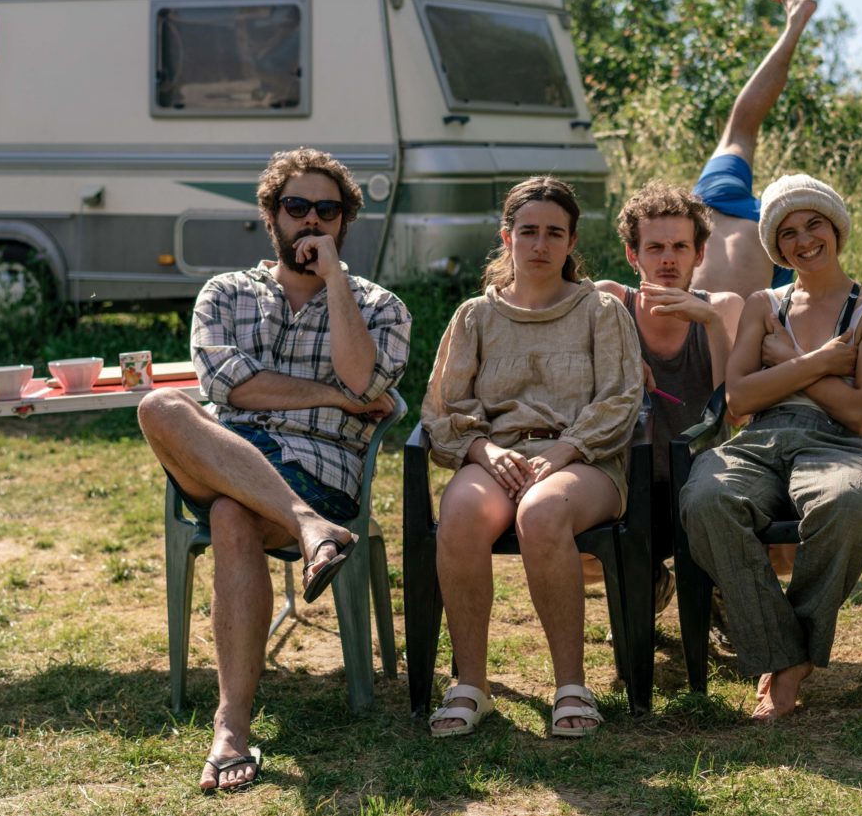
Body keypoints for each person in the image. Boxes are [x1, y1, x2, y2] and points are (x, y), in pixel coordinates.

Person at [138, 148, 411, 792]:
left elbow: (364, 376)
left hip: (321, 467)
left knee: (233, 514)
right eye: (297, 208)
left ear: (345, 224)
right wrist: (334, 398)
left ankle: (231, 728)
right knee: (159, 406)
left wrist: (336, 281)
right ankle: (310, 527)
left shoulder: (380, 307)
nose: (311, 223)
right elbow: (231, 387)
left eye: (327, 211)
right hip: (223, 456)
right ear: (270, 216)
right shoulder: (225, 293)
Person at [422, 176, 644, 739]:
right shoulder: (475, 316)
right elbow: (444, 405)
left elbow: (621, 398)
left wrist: (567, 450)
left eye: (554, 233)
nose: (540, 244)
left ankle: (571, 685)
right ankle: (471, 684)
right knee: (461, 514)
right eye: (528, 232)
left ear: (571, 242)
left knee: (541, 515)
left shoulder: (600, 310)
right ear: (507, 238)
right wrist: (484, 449)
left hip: (585, 458)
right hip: (498, 454)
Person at [679, 173, 862, 720]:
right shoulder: (763, 303)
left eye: (814, 225)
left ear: (837, 228)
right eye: (787, 233)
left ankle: (786, 663)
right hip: (758, 439)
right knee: (706, 499)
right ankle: (785, 652)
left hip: (837, 445)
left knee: (850, 504)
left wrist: (782, 360)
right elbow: (737, 397)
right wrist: (821, 363)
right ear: (774, 246)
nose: (803, 241)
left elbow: (858, 411)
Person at [595, 181, 743, 613]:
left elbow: (732, 409)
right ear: (632, 255)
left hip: (704, 479)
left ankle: (716, 594)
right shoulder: (610, 302)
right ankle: (653, 580)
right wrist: (623, 360)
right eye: (654, 247)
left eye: (680, 246)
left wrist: (712, 323)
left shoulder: (724, 306)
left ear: (699, 254)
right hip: (628, 480)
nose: (667, 259)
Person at [691, 0, 819, 300]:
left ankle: (795, 25)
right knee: (740, 131)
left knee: (740, 132)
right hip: (708, 214)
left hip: (747, 233)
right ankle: (794, 27)